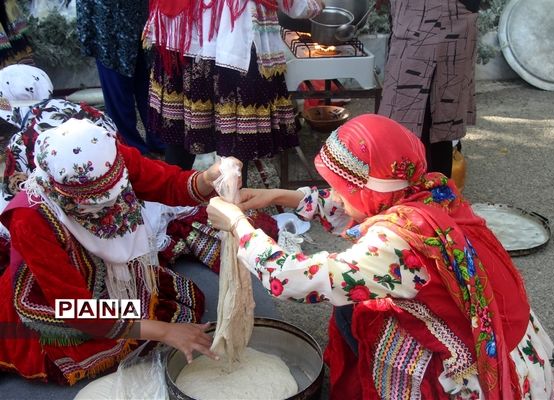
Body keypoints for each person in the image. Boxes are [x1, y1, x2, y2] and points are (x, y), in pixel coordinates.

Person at [207, 114, 554, 399]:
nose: (332, 194)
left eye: (339, 187)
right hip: (508, 335)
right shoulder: (429, 189)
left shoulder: (400, 242)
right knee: (355, 305)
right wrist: (278, 196)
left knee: (357, 313)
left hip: (481, 370)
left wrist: (238, 224)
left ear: (370, 189)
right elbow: (353, 207)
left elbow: (289, 278)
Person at [0, 118, 227, 384]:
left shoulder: (110, 158)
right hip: (59, 297)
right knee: (109, 341)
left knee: (166, 310)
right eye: (96, 201)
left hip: (105, 275)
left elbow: (167, 183)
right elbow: (74, 309)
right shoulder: (30, 218)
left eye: (113, 192)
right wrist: (164, 332)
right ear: (59, 190)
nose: (109, 204)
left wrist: (208, 178)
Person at [141, 0, 323, 175]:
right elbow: (298, 7)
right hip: (232, 46)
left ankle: (175, 202)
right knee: (234, 143)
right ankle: (232, 200)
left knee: (181, 133)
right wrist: (318, 5)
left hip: (182, 38)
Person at [377, 0, 478, 178]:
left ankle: (431, 196)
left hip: (440, 17)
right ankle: (427, 194)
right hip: (416, 17)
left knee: (429, 117)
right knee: (413, 116)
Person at [76, 0, 165, 156]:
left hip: (142, 17)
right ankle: (132, 151)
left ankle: (159, 142)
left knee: (150, 86)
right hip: (109, 23)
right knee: (119, 91)